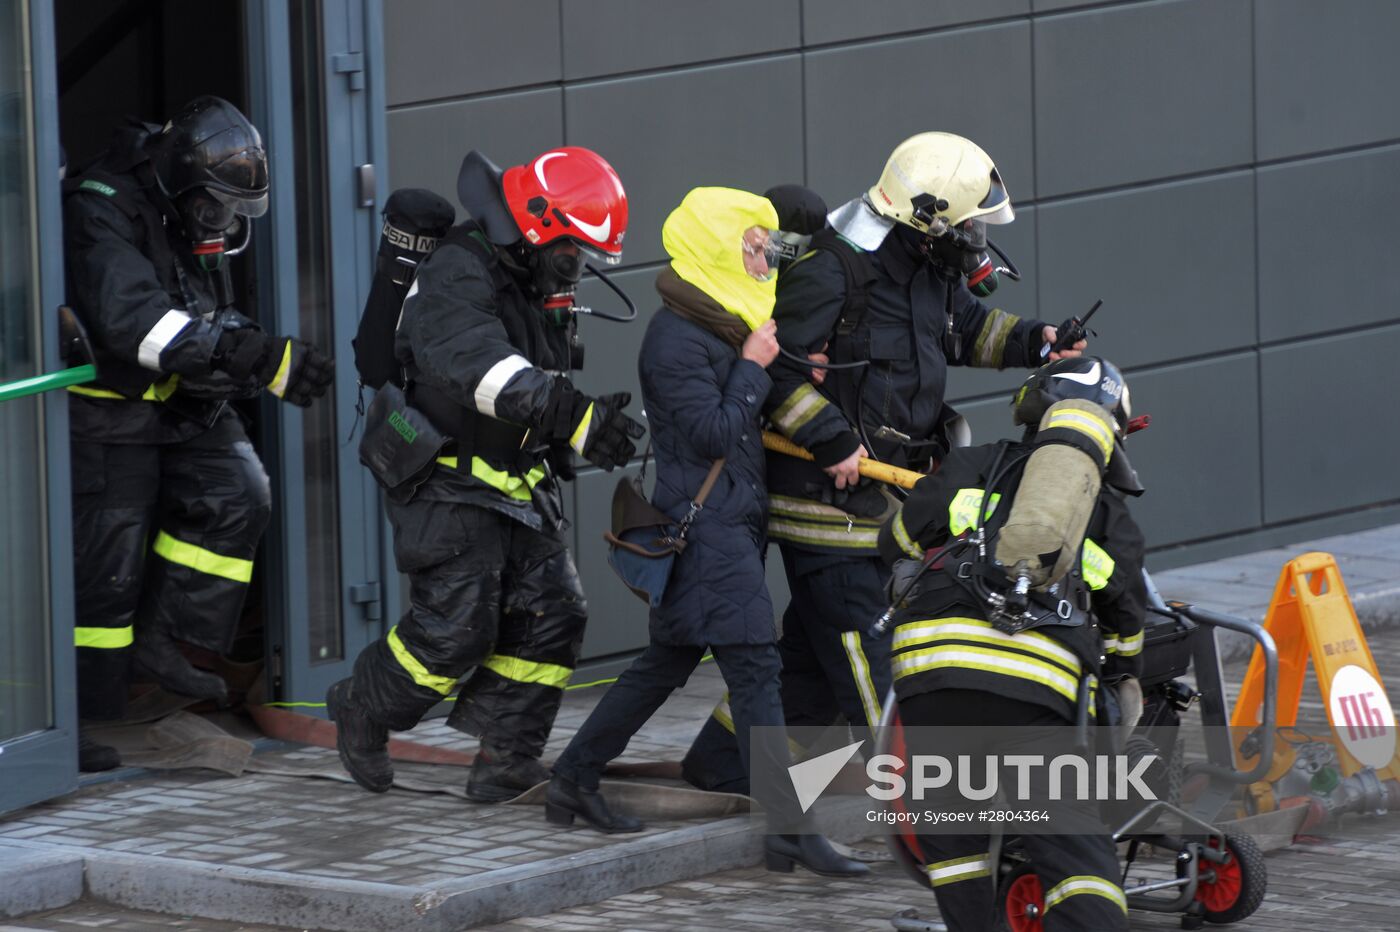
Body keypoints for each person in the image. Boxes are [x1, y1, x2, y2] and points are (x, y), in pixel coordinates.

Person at [683, 132, 1087, 794]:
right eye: (970, 223)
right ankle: (933, 805)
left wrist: (1037, 342)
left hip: (889, 501)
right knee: (874, 661)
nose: (979, 237)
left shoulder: (927, 272)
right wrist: (835, 440)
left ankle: (724, 768)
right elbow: (774, 373)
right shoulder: (831, 271)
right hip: (827, 507)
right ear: (927, 219)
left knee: (812, 667)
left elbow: (967, 331)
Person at [545, 187, 865, 877]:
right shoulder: (676, 338)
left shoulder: (724, 323)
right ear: (718, 250)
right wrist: (753, 368)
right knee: (757, 671)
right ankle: (790, 830)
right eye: (752, 248)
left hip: (722, 526)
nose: (762, 261)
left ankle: (573, 776)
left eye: (764, 248)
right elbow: (714, 430)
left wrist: (777, 364)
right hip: (708, 529)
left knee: (663, 665)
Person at [327, 147, 645, 803]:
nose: (577, 268)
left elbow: (537, 370)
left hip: (513, 478)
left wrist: (569, 429)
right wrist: (570, 415)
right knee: (453, 634)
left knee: (553, 613)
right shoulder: (456, 270)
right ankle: (363, 704)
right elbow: (472, 360)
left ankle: (505, 759)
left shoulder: (531, 277)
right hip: (443, 475)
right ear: (535, 228)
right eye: (571, 253)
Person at [63, 96, 334, 772]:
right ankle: (79, 723)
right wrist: (254, 360)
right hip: (108, 415)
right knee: (106, 579)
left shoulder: (190, 205)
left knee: (241, 493)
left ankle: (167, 645)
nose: (225, 223)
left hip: (179, 404)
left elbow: (208, 310)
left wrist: (261, 364)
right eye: (218, 207)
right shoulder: (98, 209)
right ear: (183, 179)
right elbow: (139, 326)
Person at [879, 356, 1146, 931]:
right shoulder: (1106, 509)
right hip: (1033, 689)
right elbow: (1126, 621)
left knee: (956, 851)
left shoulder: (973, 463)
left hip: (933, 672)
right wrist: (1124, 671)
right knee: (1075, 853)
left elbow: (896, 538)